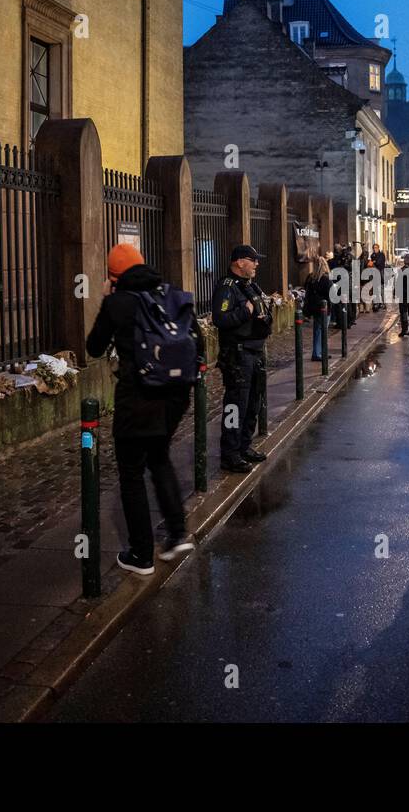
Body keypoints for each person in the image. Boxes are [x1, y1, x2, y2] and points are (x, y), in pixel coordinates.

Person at [85, 244, 198, 574]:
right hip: (175, 396)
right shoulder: (170, 293)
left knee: (131, 472)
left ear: (113, 276)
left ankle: (141, 554)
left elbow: (94, 347)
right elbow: (196, 341)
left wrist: (107, 299)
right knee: (160, 458)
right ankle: (177, 533)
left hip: (138, 398)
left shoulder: (119, 302)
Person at [213, 244, 273, 474]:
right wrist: (246, 312)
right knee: (235, 406)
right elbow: (221, 319)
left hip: (255, 351)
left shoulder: (249, 286)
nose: (257, 263)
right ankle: (230, 453)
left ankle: (244, 446)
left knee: (252, 404)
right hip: (238, 354)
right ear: (240, 262)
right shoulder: (227, 287)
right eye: (253, 260)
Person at [303, 255, 333, 361]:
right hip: (324, 309)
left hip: (315, 308)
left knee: (317, 331)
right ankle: (319, 353)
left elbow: (307, 293)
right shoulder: (326, 279)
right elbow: (331, 295)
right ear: (325, 265)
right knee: (323, 332)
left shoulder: (311, 278)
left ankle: (317, 352)